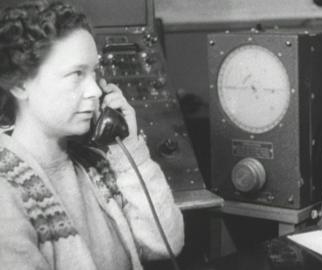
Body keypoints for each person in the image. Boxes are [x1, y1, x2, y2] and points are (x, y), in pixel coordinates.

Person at [0, 1, 185, 269]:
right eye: (76, 74)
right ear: (20, 84)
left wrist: (130, 148)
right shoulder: (6, 189)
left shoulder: (95, 165)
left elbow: (167, 241)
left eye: (93, 73)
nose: (95, 91)